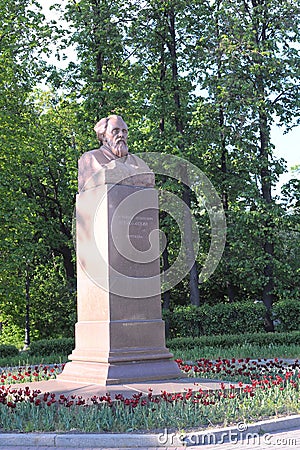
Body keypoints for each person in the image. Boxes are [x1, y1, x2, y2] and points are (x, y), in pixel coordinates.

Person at [78, 115, 154, 191]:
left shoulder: (139, 162)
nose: (121, 135)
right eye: (115, 131)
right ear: (103, 136)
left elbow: (149, 178)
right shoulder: (91, 158)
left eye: (124, 131)